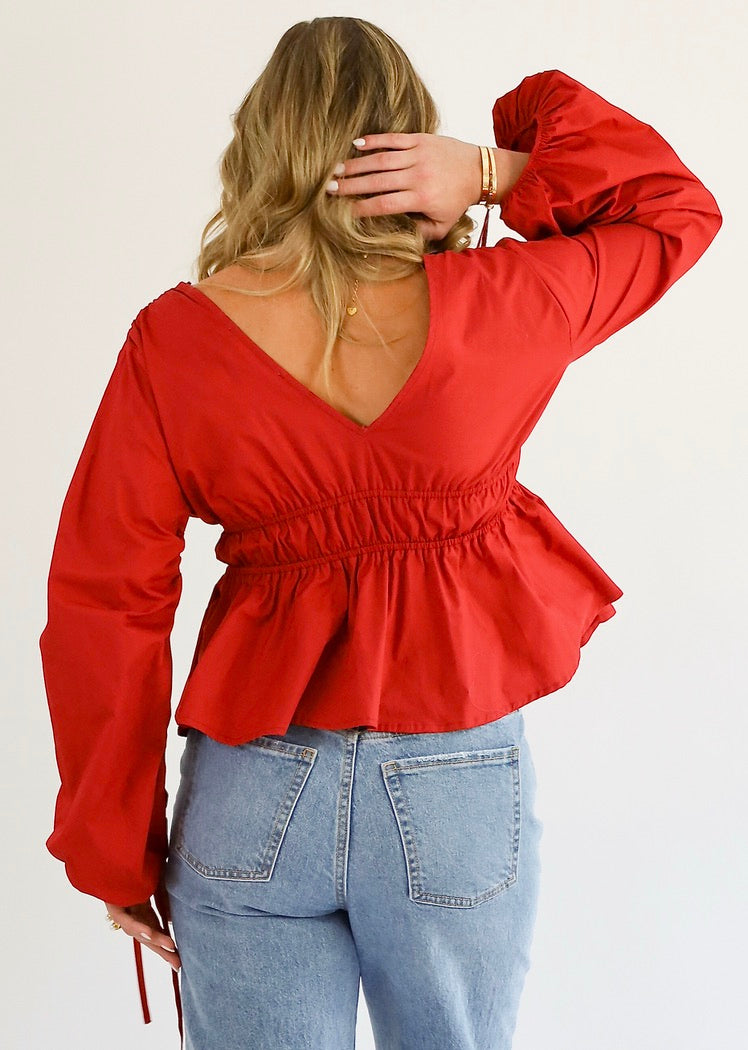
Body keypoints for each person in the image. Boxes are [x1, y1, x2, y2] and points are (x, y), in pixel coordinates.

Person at [39, 15, 722, 1050]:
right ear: (411, 145)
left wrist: (113, 848)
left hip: (254, 787)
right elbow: (675, 210)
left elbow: (105, 599)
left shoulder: (175, 338)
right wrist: (492, 171)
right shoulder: (509, 301)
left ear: (262, 142)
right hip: (453, 784)